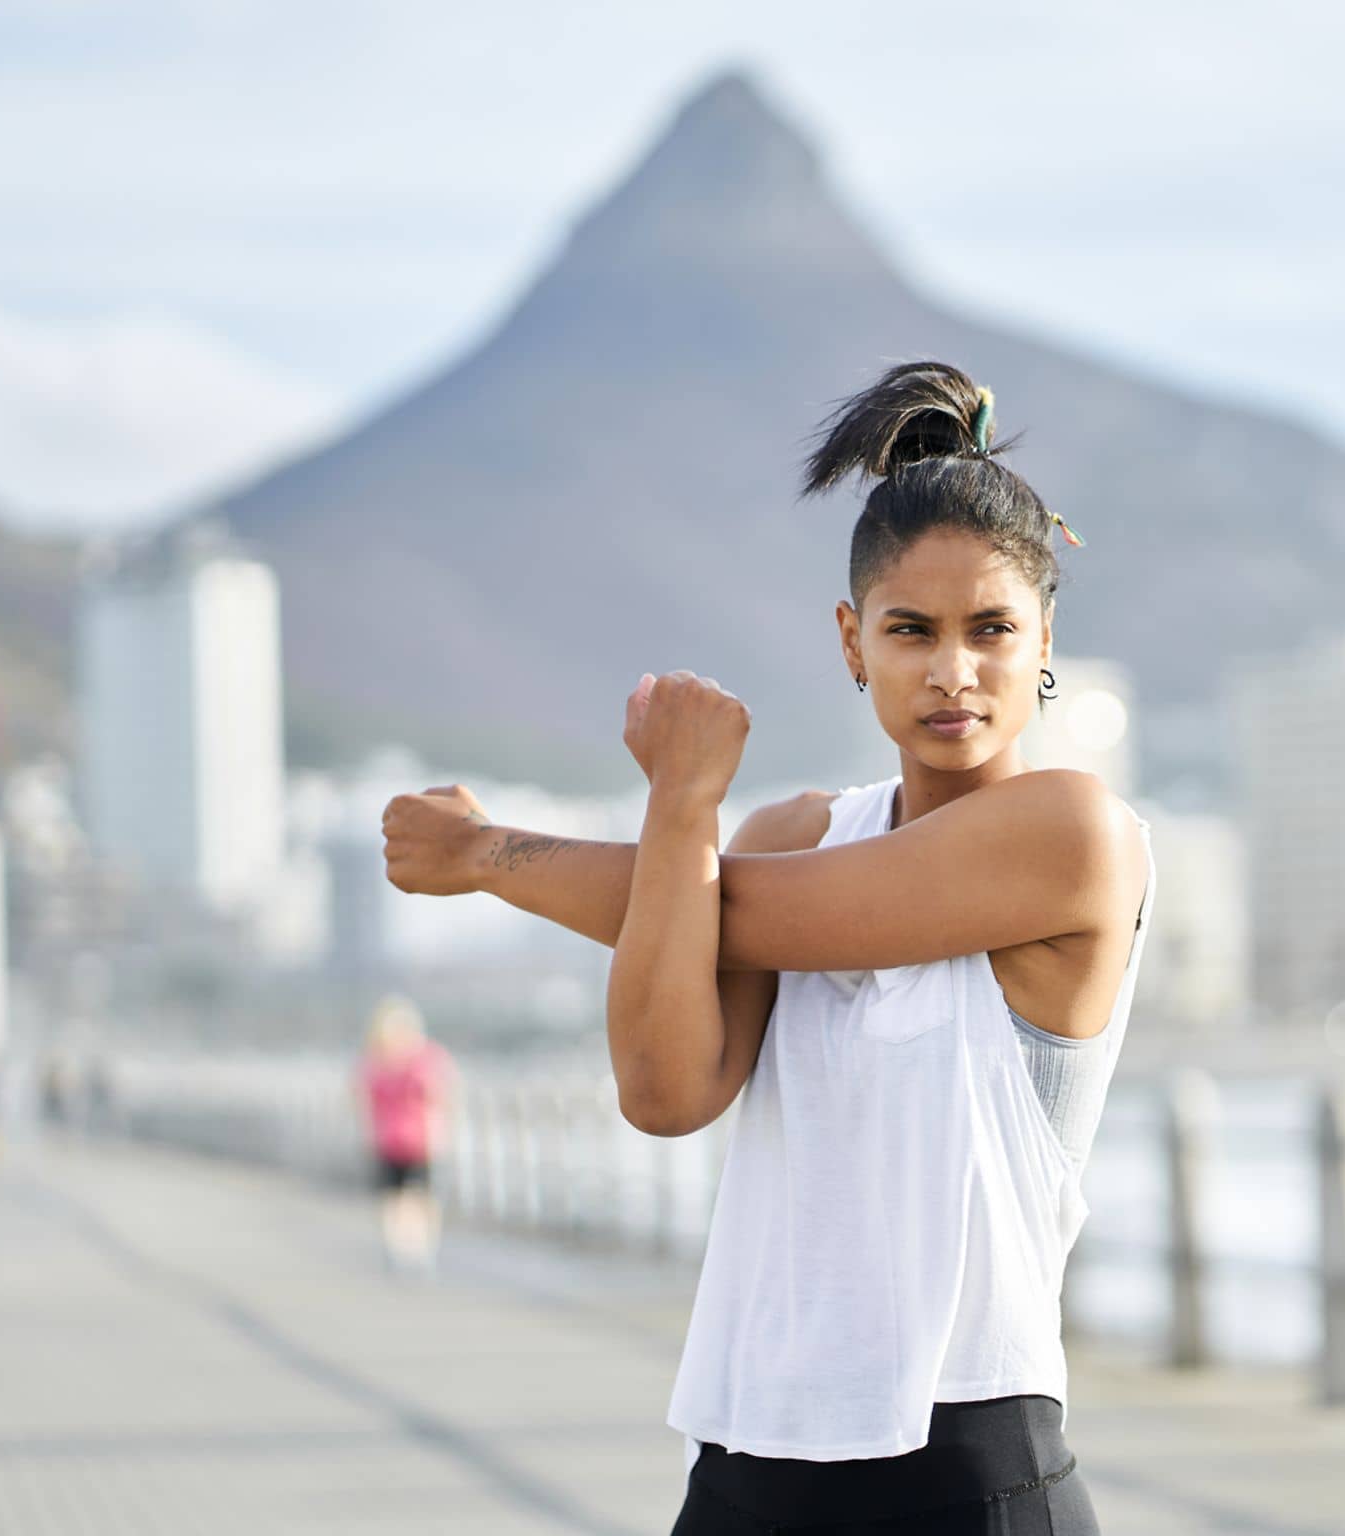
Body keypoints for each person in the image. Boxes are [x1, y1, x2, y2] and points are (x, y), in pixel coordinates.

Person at [380, 360, 1153, 1533]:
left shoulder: (1073, 836)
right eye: (910, 631)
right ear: (852, 642)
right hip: (747, 1459)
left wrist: (489, 854)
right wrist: (681, 806)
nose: (954, 671)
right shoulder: (786, 833)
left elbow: (731, 916)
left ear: (1043, 636)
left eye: (992, 629)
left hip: (969, 1470)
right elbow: (662, 1090)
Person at [356, 994, 454, 1274]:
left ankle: (414, 1248)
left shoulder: (417, 1059)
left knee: (416, 1198)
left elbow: (440, 1094)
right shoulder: (380, 1062)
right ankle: (405, 1249)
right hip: (394, 1141)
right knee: (400, 1198)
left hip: (419, 1141)